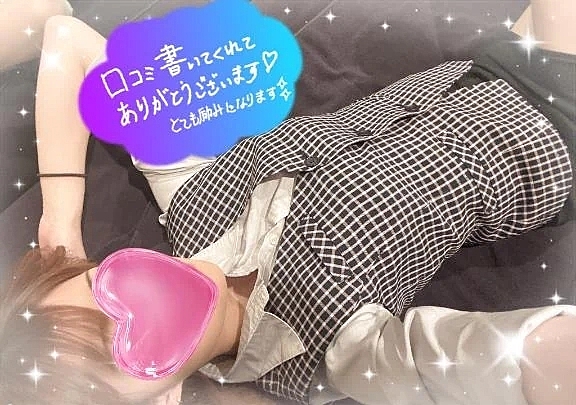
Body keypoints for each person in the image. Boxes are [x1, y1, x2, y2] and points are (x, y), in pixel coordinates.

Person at [1, 2, 575, 405]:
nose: (145, 292)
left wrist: (61, 223)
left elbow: (67, 40)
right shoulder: (324, 354)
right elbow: (488, 362)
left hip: (475, 72)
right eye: (121, 343)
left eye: (105, 281)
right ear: (162, 398)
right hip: (552, 133)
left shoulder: (191, 200)